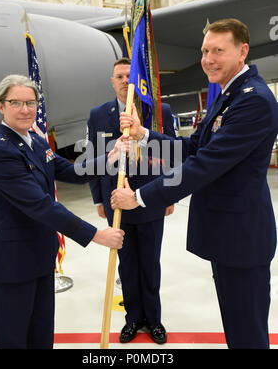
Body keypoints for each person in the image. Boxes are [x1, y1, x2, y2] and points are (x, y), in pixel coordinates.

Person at [111, 19, 278, 349]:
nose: (208, 59)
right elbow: (193, 147)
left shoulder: (253, 100)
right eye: (204, 51)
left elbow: (204, 165)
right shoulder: (227, 95)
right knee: (236, 325)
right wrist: (145, 135)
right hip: (227, 233)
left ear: (243, 51)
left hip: (242, 237)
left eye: (218, 50)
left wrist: (142, 197)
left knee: (246, 331)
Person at [0, 74, 125, 349]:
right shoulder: (1, 153)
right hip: (13, 263)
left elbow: (70, 171)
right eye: (16, 103)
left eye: (31, 102)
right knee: (13, 340)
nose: (25, 109)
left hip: (39, 256)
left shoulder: (36, 141)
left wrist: (110, 157)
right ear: (1, 106)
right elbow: (42, 206)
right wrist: (96, 235)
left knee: (41, 335)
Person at [87, 57, 176, 344]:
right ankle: (133, 319)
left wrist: (169, 194)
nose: (125, 81)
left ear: (139, 80)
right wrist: (98, 199)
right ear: (112, 81)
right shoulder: (98, 115)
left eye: (130, 75)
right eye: (119, 76)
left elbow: (173, 156)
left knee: (150, 262)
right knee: (126, 265)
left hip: (150, 199)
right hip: (116, 203)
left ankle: (153, 319)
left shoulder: (159, 111)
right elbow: (93, 158)